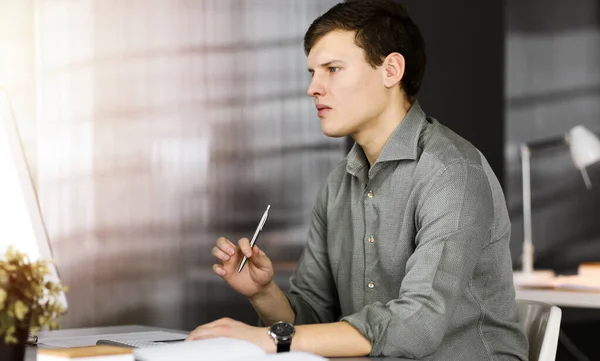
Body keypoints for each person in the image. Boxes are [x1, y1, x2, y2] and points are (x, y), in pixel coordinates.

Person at [187, 0, 528, 359]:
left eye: (332, 69)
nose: (313, 88)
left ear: (391, 70)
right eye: (312, 73)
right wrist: (263, 292)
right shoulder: (339, 184)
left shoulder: (452, 173)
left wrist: (270, 339)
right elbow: (310, 321)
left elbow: (417, 324)